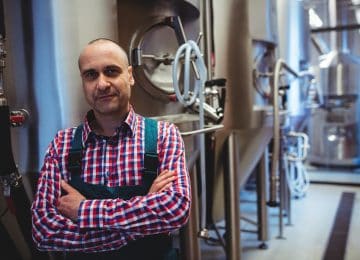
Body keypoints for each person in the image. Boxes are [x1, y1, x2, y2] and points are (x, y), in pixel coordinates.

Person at [31, 38, 191, 259]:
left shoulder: (164, 135)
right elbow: (44, 231)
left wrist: (83, 211)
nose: (102, 84)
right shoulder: (63, 144)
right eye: (91, 75)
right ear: (83, 82)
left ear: (130, 75)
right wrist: (142, 216)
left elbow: (175, 209)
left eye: (111, 71)